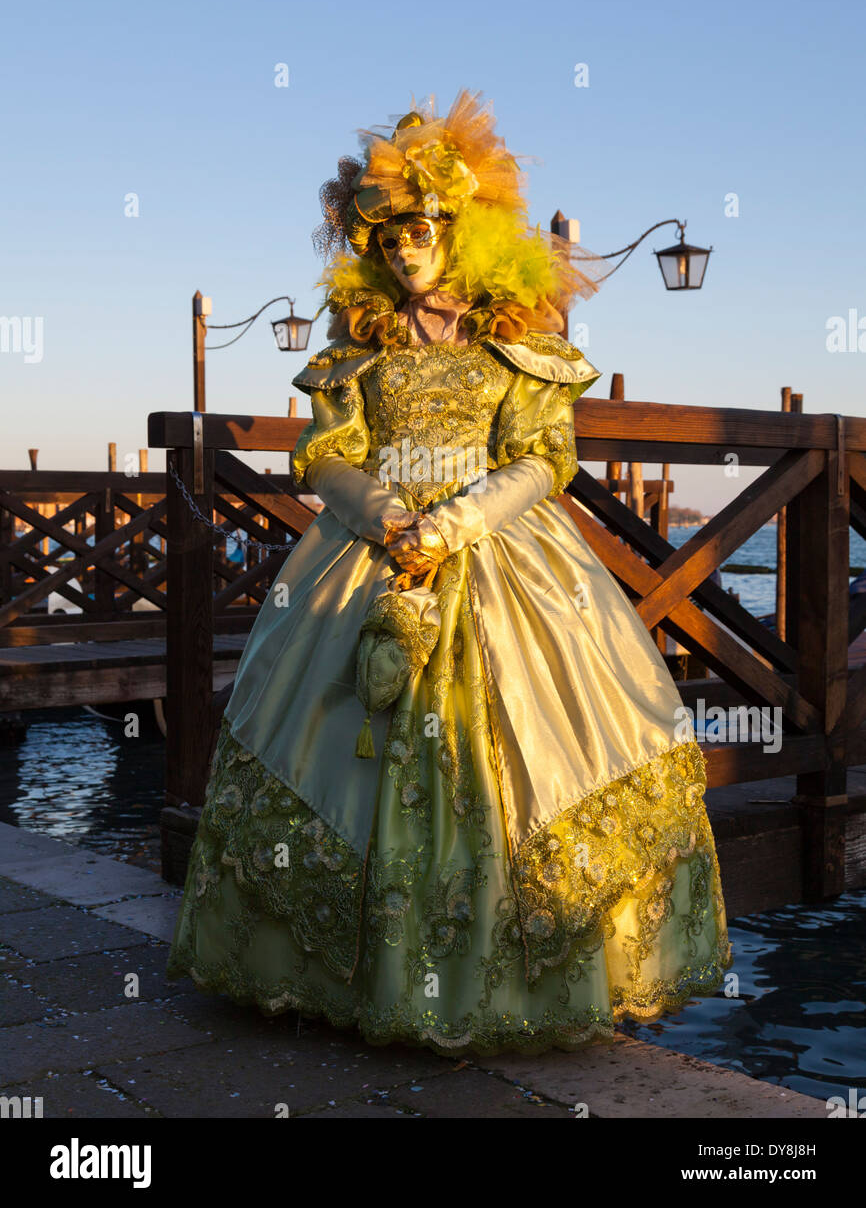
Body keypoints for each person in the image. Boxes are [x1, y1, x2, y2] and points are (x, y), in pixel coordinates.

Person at [167, 89, 731, 1054]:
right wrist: (388, 518)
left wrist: (459, 520)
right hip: (367, 557)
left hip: (503, 559)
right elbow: (325, 455)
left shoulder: (520, 345)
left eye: (422, 226)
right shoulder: (358, 350)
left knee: (533, 750)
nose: (403, 247)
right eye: (388, 233)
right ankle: (350, 977)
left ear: (463, 230)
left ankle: (513, 980)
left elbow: (546, 458)